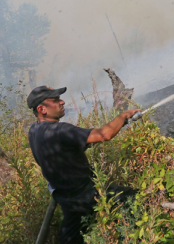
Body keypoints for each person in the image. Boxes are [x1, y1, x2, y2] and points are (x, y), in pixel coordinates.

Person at [27, 85, 139, 244]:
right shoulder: (60, 130)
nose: (62, 102)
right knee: (134, 200)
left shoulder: (34, 130)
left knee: (70, 238)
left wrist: (120, 124)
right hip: (85, 194)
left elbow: (71, 145)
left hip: (65, 197)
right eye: (56, 100)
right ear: (42, 109)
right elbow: (104, 135)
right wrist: (122, 116)